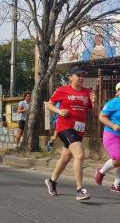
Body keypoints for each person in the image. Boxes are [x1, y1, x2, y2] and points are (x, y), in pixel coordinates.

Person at [44, 66, 96, 201]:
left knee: (66, 158)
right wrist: (59, 111)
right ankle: (80, 190)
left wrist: (94, 102)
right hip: (64, 127)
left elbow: (92, 109)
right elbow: (48, 105)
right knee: (79, 154)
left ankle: (52, 181)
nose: (81, 78)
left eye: (83, 75)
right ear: (70, 77)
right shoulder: (62, 90)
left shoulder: (86, 92)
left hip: (79, 129)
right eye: (78, 75)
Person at [95, 82, 120, 192]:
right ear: (118, 91)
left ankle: (116, 185)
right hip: (112, 135)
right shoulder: (113, 103)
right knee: (118, 159)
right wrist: (112, 125)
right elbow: (102, 117)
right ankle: (101, 171)